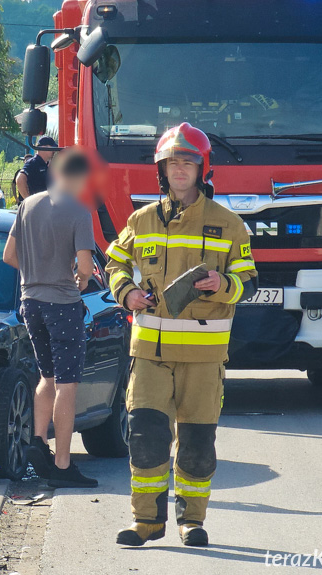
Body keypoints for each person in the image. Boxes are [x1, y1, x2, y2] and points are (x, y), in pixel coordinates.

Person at [105, 123, 257, 547]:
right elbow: (114, 263)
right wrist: (127, 292)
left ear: (201, 169)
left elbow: (249, 280)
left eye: (188, 162)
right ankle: (146, 523)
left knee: (196, 443)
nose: (179, 170)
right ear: (162, 169)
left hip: (204, 357)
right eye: (173, 162)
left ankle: (192, 522)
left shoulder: (228, 225)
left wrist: (223, 285)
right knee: (145, 438)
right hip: (150, 354)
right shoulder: (142, 219)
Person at [3, 149, 98, 489]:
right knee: (67, 385)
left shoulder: (27, 205)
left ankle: (38, 442)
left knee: (46, 375)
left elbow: (9, 256)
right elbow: (86, 267)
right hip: (63, 305)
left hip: (31, 303)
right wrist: (80, 278)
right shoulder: (78, 211)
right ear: (81, 177)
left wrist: (35, 273)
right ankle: (62, 464)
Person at [14, 136, 56, 203]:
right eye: (52, 148)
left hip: (46, 204)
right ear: (43, 148)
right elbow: (20, 179)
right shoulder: (33, 163)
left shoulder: (46, 164)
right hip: (38, 205)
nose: (54, 151)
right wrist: (29, 200)